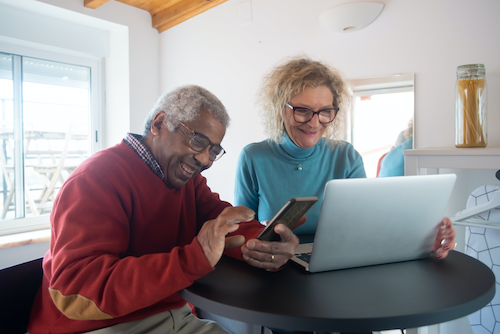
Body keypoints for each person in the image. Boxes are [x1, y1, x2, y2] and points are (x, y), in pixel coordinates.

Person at [27, 85, 299, 334]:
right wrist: (191, 259)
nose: (205, 160)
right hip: (94, 327)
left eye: (214, 151)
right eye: (197, 141)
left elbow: (221, 220)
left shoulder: (186, 180)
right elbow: (73, 294)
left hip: (172, 315)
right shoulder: (97, 179)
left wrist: (266, 243)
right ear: (159, 124)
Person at [234, 56, 456, 334]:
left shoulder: (346, 155)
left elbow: (369, 224)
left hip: (340, 271)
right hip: (280, 274)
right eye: (302, 110)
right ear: (281, 108)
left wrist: (424, 235)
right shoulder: (254, 157)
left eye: (325, 111)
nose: (315, 123)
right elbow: (242, 231)